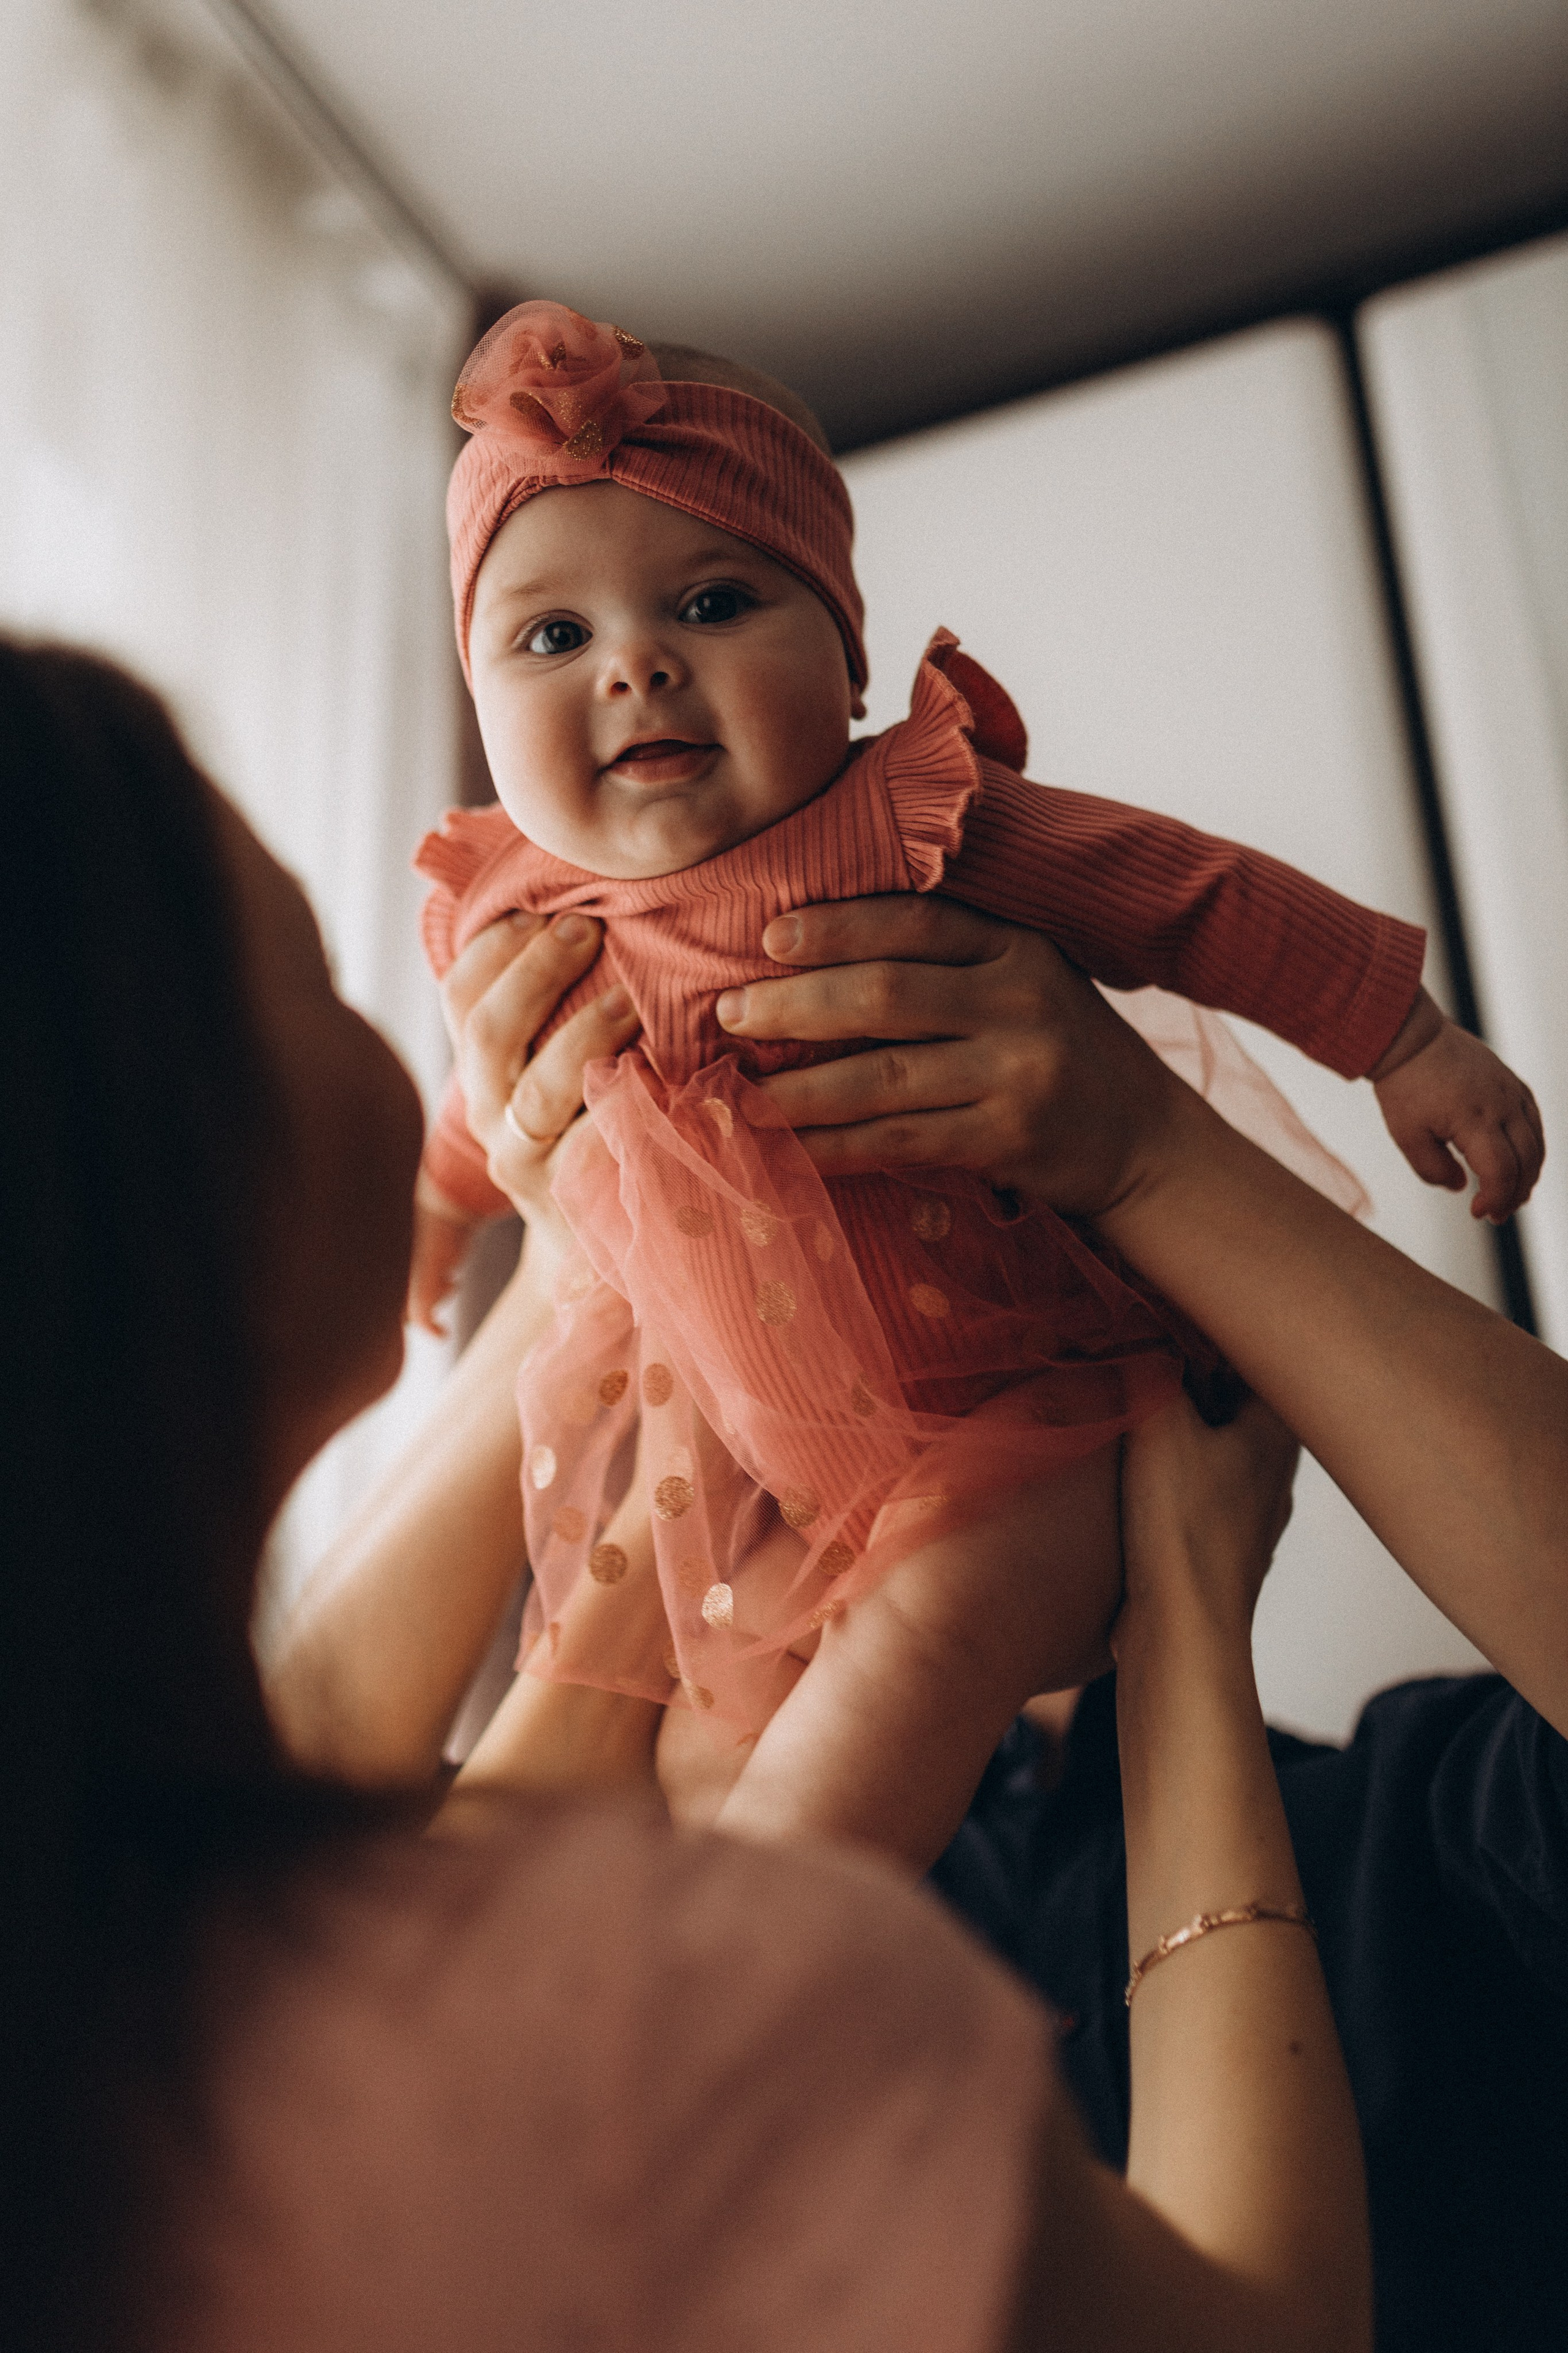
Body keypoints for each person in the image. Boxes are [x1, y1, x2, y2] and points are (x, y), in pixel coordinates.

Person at [0, 636, 1372, 2353]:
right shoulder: (661, 2023)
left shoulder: (99, 1981)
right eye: (323, 972)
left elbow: (334, 1764)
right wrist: (1188, 1634)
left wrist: (617, 1273)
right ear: (170, 1171)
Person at [269, 888, 1567, 2351]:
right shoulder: (593, 1908)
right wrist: (605, 1253)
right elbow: (272, 1843)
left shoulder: (1414, 1841)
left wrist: (1149, 1160)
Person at [404, 297, 1540, 1860]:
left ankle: (779, 1940)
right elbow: (481, 1110)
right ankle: (713, 2016)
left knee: (902, 1681)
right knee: (683, 1743)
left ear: (847, 654)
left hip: (1024, 1427)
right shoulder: (524, 917)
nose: (637, 669)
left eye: (717, 599)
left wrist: (1400, 1036)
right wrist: (435, 1213)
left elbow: (1183, 892)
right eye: (552, 635)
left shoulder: (910, 820)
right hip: (750, 1455)